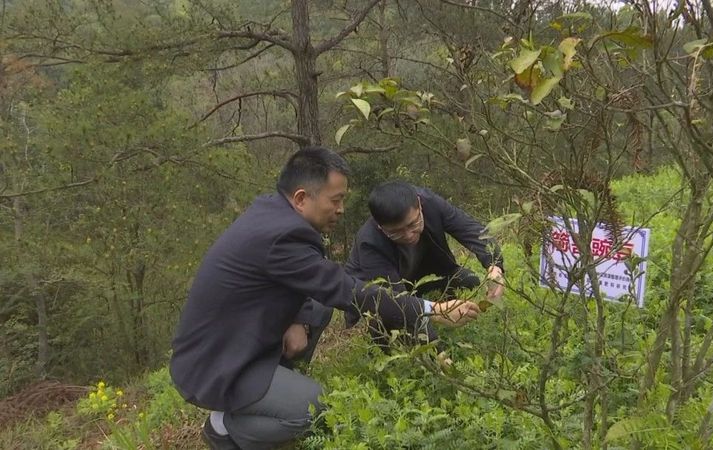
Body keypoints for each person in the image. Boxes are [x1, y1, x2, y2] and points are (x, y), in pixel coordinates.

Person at [169, 147, 481, 450]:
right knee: (315, 407)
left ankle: (275, 387)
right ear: (302, 198)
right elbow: (347, 290)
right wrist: (430, 310)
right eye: (337, 199)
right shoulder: (282, 235)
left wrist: (297, 319)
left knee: (316, 310)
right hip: (218, 362)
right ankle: (226, 427)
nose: (342, 209)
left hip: (243, 335)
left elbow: (301, 280)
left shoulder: (275, 213)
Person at [345, 181, 504, 347]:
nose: (408, 235)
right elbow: (396, 302)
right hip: (379, 296)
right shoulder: (370, 243)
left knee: (468, 280)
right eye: (396, 232)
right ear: (380, 227)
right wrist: (437, 347)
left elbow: (472, 231)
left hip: (423, 276)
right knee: (392, 322)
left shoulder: (430, 202)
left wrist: (495, 266)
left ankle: (440, 317)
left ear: (420, 205)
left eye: (413, 224)